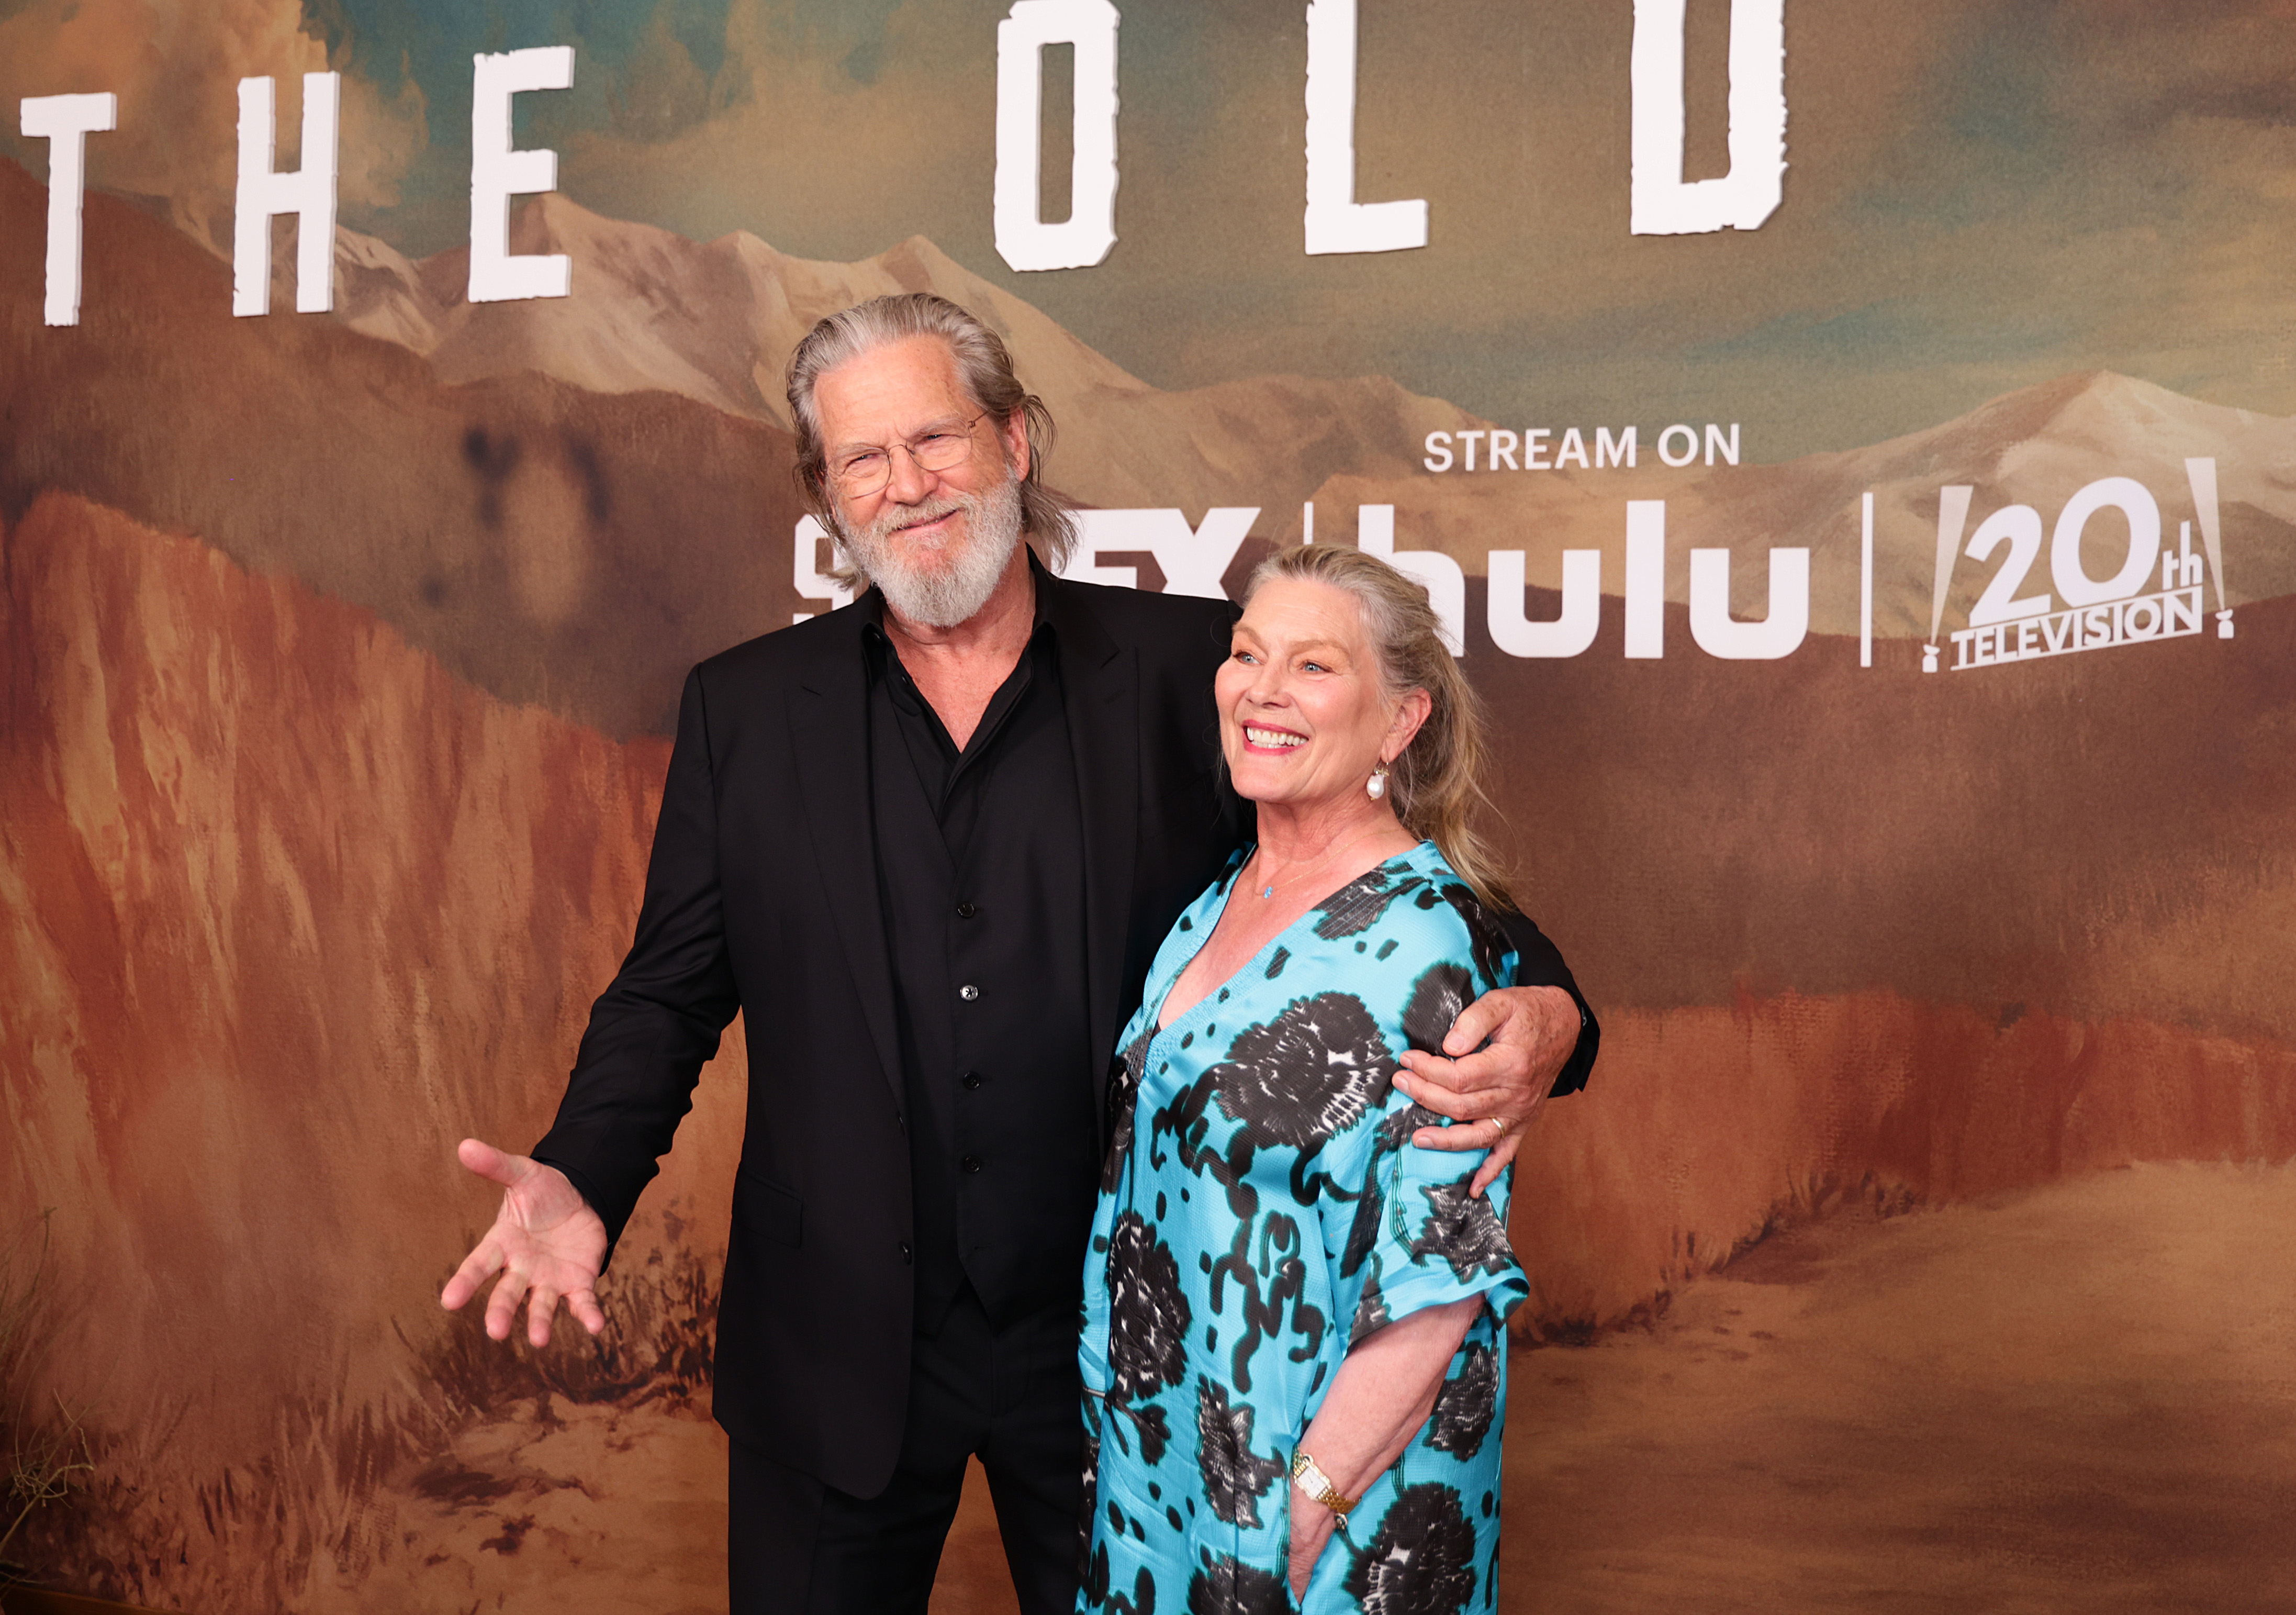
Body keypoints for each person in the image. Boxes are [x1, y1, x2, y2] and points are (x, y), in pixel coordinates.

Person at [437, 293, 1598, 1615]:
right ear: (826, 494)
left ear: (1016, 441)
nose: (907, 485)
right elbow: (668, 988)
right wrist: (586, 1170)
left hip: (1119, 1358)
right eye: (862, 459)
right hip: (835, 1351)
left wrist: (1552, 1011)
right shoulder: (745, 711)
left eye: (936, 438)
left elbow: (1382, 864)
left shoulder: (1188, 670)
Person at [1080, 543, 1533, 1615]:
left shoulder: (1428, 943)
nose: (1263, 690)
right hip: (1169, 1470)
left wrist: (1305, 1507)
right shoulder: (1221, 897)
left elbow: (1439, 1285)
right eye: (1247, 655)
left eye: (1314, 667)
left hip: (1325, 1500)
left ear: (1398, 721)